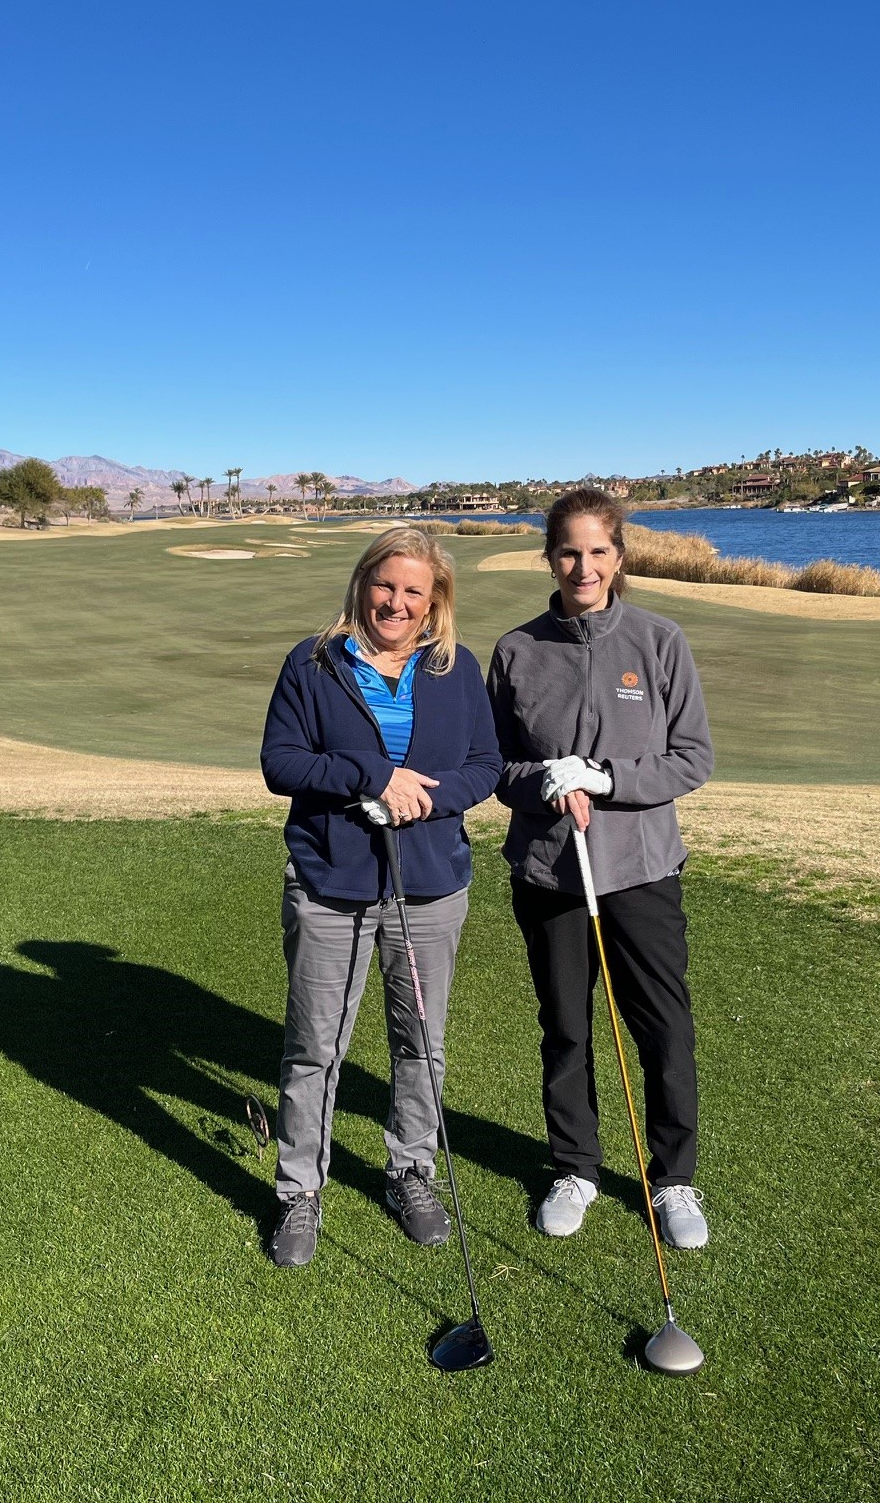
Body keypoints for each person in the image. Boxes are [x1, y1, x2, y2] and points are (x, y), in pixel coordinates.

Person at [258, 527, 502, 1268]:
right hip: (332, 880)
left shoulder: (456, 667)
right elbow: (281, 763)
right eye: (385, 585)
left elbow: (485, 765)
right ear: (363, 584)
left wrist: (425, 799)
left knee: (420, 1041)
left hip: (429, 884)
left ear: (435, 601)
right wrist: (371, 777)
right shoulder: (314, 662)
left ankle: (410, 1171)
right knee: (316, 1047)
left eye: (413, 591)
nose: (396, 603)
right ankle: (300, 1190)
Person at [487, 489, 715, 1249]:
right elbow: (494, 766)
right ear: (550, 557)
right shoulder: (517, 650)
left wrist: (606, 778)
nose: (582, 567)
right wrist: (542, 781)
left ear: (618, 557)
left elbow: (692, 759)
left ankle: (673, 1178)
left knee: (664, 1028)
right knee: (566, 1027)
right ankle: (575, 1167)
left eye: (597, 552)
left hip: (642, 868)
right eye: (568, 552)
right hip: (549, 872)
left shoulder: (659, 641)